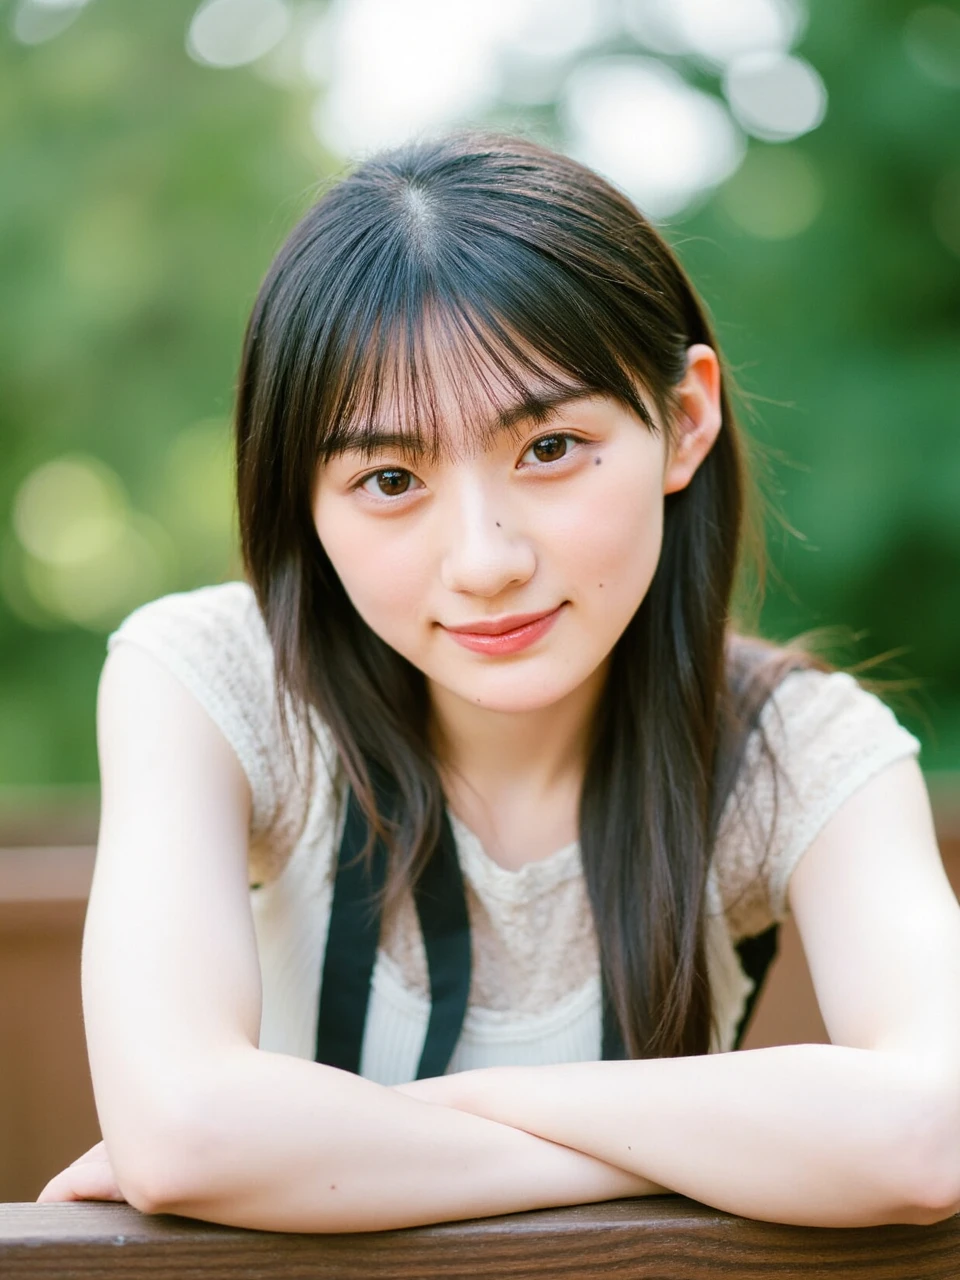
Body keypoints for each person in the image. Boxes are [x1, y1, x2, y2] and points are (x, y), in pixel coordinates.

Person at [39, 132, 960, 1231]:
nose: (484, 560)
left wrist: (412, 1118)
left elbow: (931, 1131)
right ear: (304, 499)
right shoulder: (215, 679)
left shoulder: (795, 747)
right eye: (390, 477)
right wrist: (688, 1144)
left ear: (684, 421)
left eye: (550, 447)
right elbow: (189, 1132)